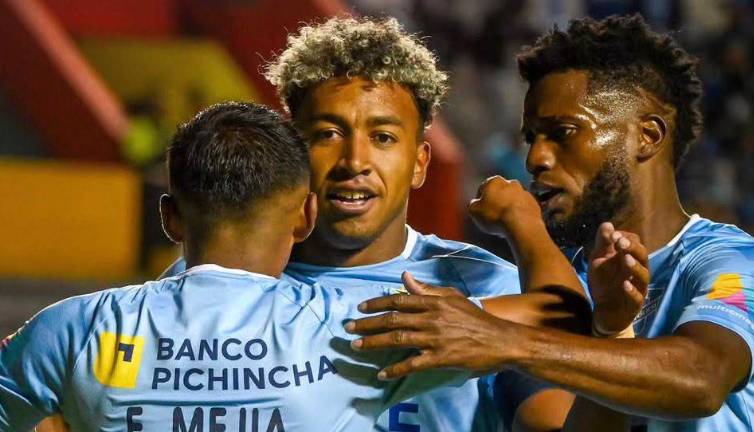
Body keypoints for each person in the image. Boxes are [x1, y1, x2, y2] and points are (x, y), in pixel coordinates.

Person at [164, 17, 599, 432]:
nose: (355, 162)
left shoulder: (487, 284)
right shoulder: (214, 280)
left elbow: (554, 421)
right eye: (327, 134)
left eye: (383, 138)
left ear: (419, 162)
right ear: (292, 152)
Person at [345, 14, 754, 432]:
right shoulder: (547, 276)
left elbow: (701, 379)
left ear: (648, 136)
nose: (535, 159)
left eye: (563, 132)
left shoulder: (732, 267)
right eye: (532, 138)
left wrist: (502, 341)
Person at [0, 102, 474, 431]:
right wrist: (527, 232)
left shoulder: (73, 330)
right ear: (306, 216)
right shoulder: (357, 326)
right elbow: (534, 327)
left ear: (170, 217)